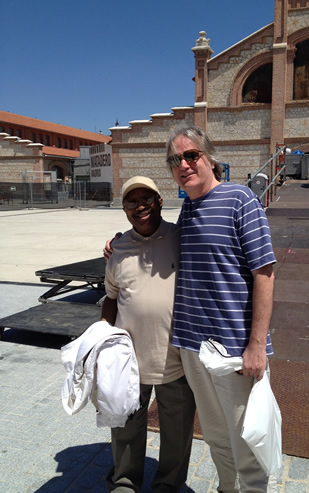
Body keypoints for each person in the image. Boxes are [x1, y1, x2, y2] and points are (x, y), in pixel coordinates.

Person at [166, 126, 276, 493]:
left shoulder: (240, 199)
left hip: (234, 350)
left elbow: (264, 273)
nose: (183, 164)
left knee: (247, 443)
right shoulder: (188, 207)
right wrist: (121, 242)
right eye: (175, 160)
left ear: (210, 158)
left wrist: (256, 346)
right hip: (192, 346)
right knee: (215, 437)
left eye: (191, 155)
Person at [101, 176, 195, 493]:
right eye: (132, 201)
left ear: (159, 201)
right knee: (125, 424)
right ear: (124, 208)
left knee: (178, 428)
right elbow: (111, 299)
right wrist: (103, 344)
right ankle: (125, 479)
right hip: (129, 360)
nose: (140, 206)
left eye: (147, 198)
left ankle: (168, 482)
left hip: (177, 356)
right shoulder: (118, 249)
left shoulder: (181, 237)